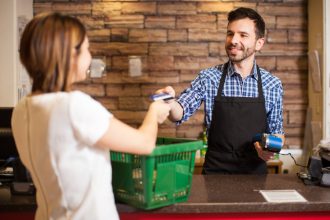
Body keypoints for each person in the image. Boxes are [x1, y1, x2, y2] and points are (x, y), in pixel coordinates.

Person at [11, 12, 170, 220]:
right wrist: (155, 111)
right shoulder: (73, 106)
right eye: (86, 48)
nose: (90, 55)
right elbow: (145, 143)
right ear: (68, 56)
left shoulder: (22, 109)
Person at [157, 7, 285, 175]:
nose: (233, 40)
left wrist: (270, 150)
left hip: (255, 175)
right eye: (230, 33)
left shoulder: (272, 84)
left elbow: (278, 133)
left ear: (259, 43)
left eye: (243, 35)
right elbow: (179, 113)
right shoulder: (209, 78)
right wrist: (170, 102)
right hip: (214, 174)